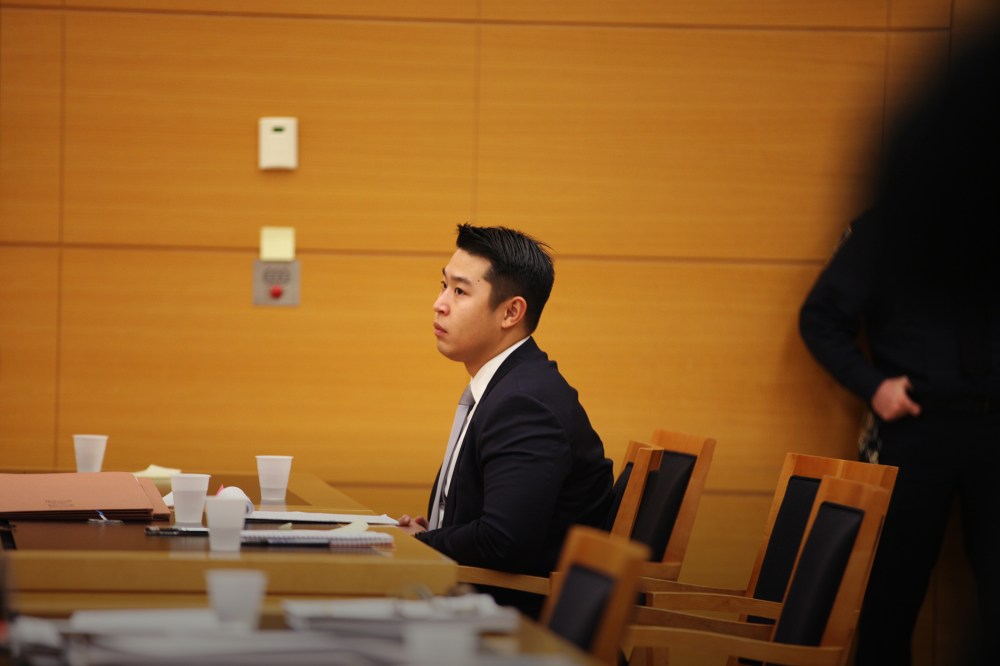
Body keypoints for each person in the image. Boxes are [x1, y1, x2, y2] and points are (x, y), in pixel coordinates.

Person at [799, 23, 1000, 666]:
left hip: (995, 426)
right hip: (914, 421)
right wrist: (873, 386)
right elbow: (820, 317)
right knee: (891, 597)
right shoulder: (893, 224)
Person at [398, 223, 613, 617]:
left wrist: (422, 543)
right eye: (443, 285)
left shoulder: (524, 403)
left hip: (513, 623)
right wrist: (435, 535)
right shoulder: (511, 385)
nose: (439, 303)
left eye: (460, 291)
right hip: (472, 599)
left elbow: (503, 540)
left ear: (511, 312)